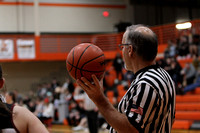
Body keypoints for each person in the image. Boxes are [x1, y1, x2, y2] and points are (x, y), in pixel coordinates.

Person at [77, 24, 176, 133]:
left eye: (122, 47)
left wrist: (99, 100)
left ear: (130, 50)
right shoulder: (163, 75)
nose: (121, 51)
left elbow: (130, 129)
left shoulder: (147, 83)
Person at [0, 65, 49, 133]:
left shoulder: (16, 111)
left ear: (11, 97)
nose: (6, 96)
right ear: (2, 83)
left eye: (7, 96)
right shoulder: (20, 114)